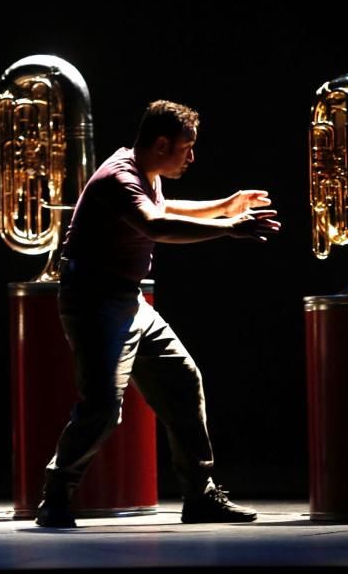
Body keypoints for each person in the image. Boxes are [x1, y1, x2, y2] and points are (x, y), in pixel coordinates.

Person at [36, 100, 281, 528]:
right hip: (95, 302)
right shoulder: (119, 177)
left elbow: (167, 209)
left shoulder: (145, 172)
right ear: (162, 143)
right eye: (187, 147)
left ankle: (200, 496)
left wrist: (226, 204)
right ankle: (55, 497)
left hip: (129, 302)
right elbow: (155, 226)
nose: (192, 156)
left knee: (183, 382)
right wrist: (230, 229)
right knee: (103, 408)